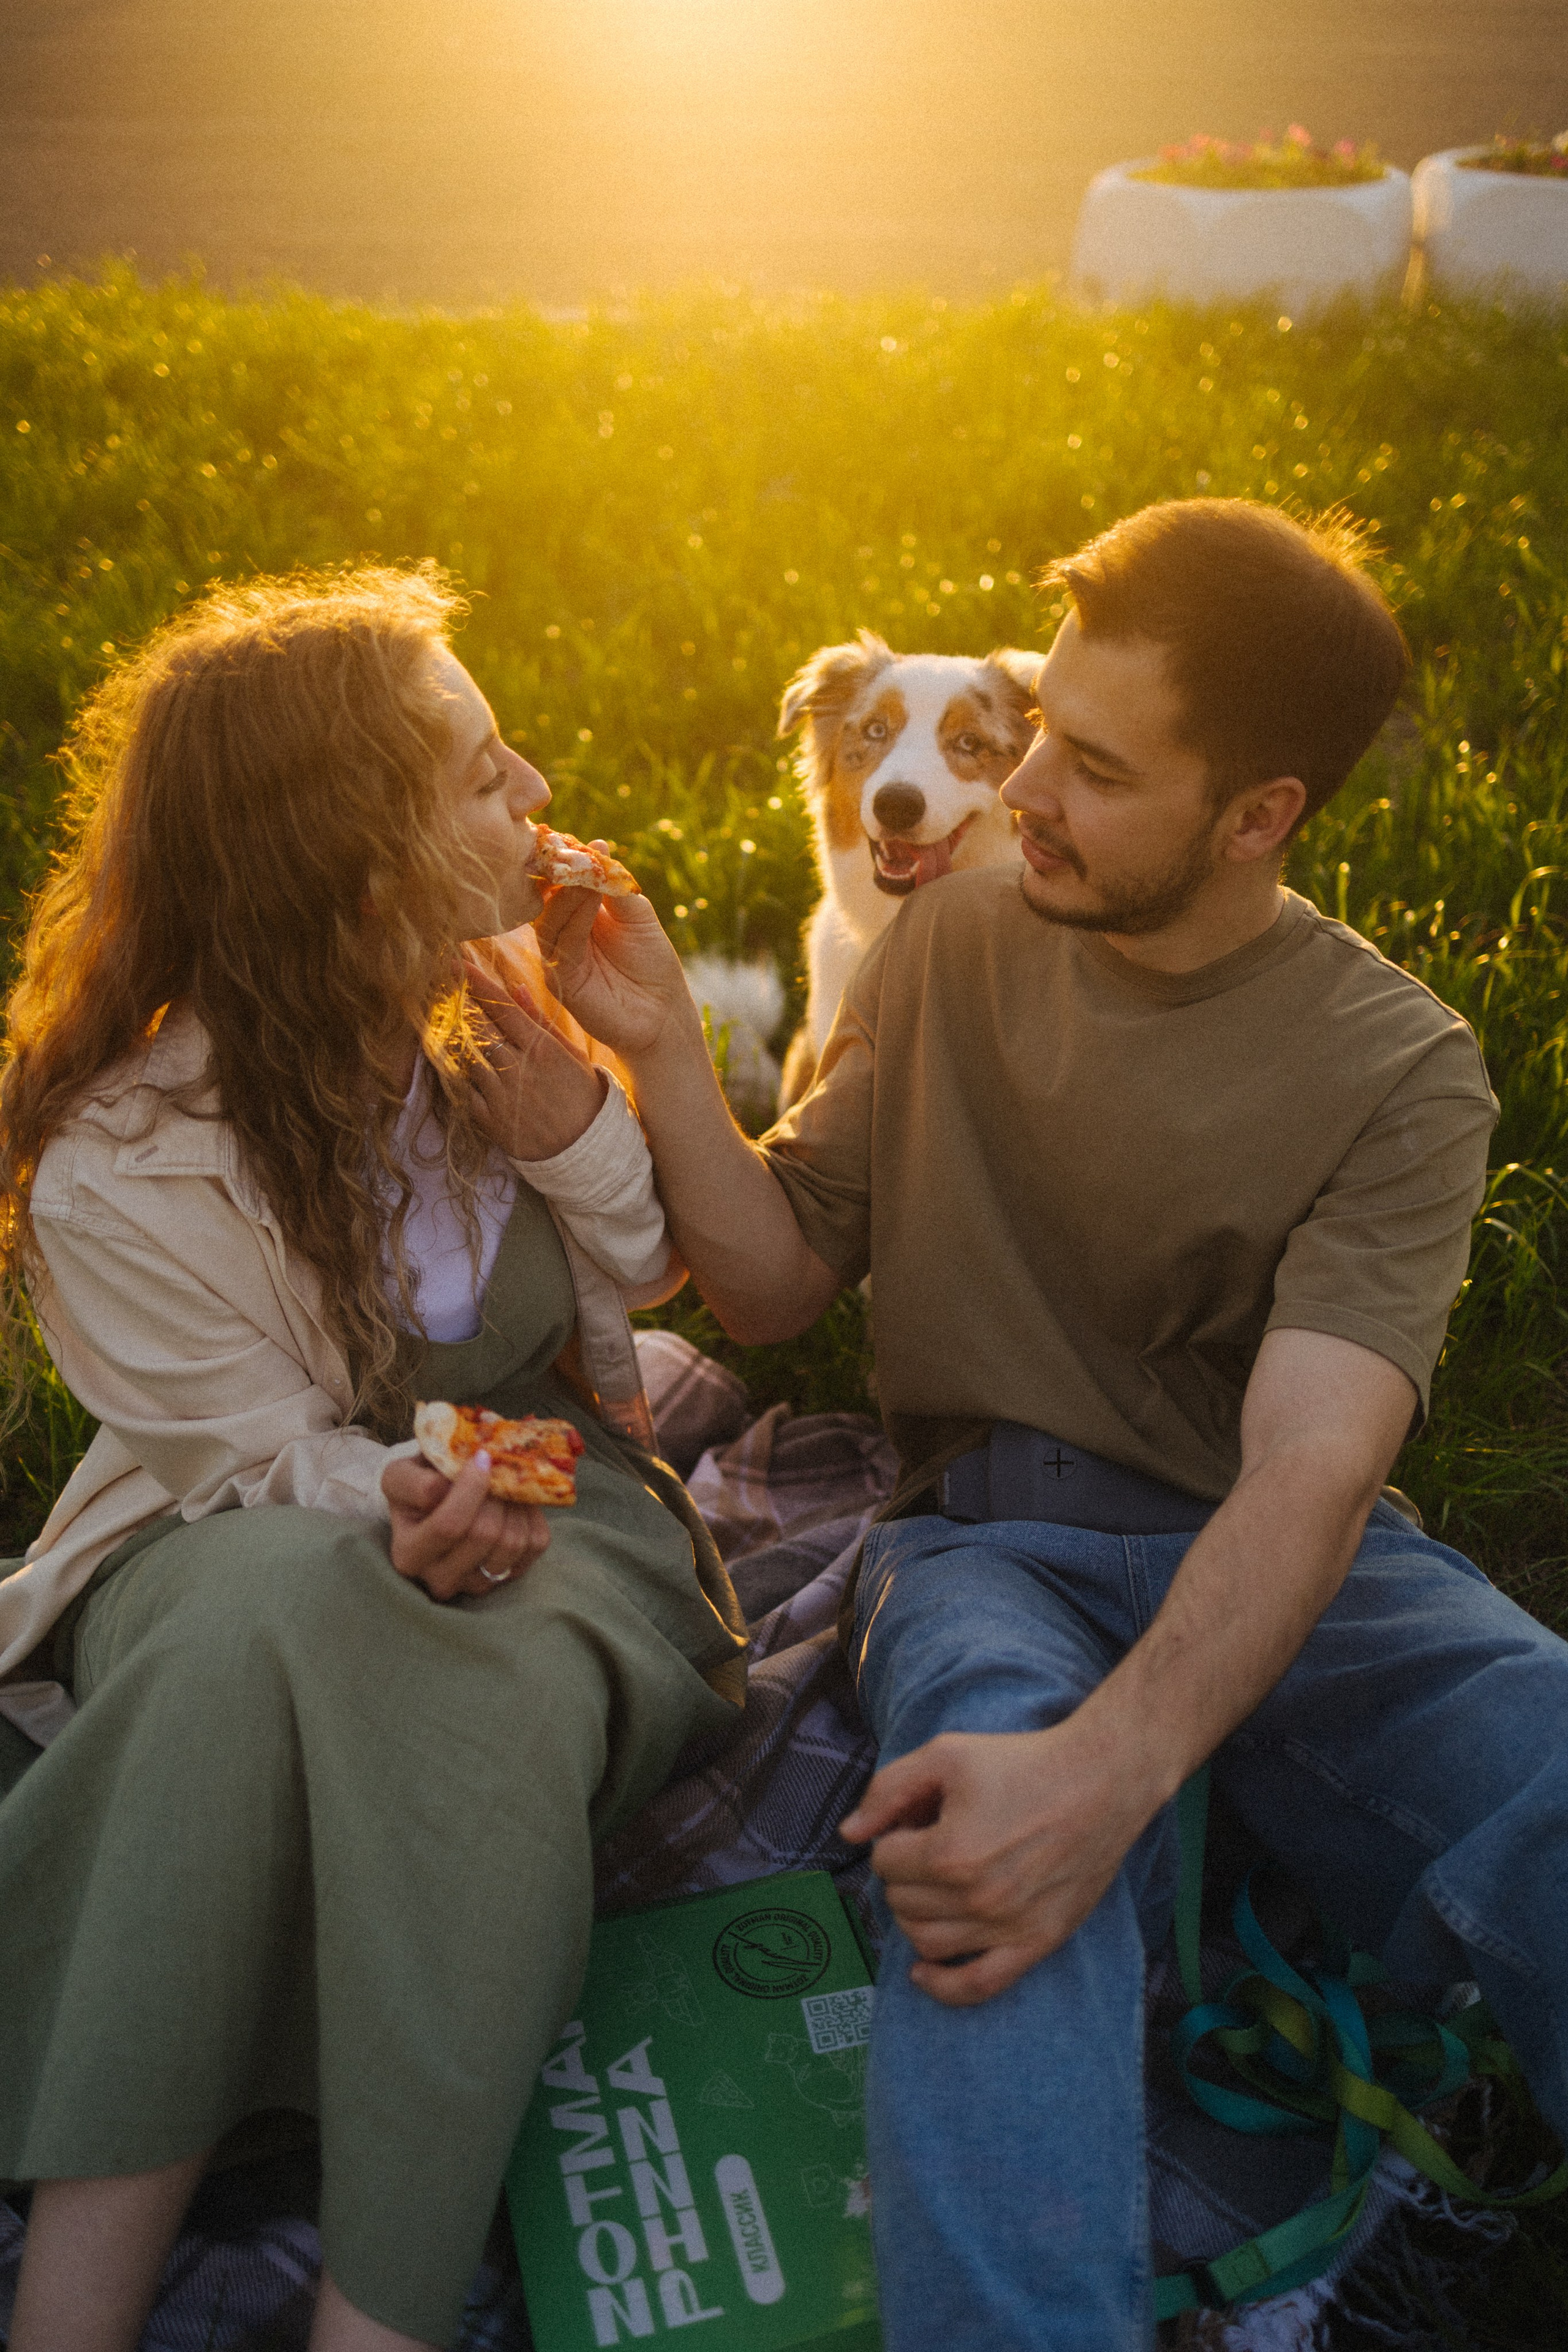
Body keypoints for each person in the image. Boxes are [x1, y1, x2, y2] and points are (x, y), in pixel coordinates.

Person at [496, 499, 1568, 2349]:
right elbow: (772, 1282)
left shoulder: (1399, 1067)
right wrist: (663, 1044)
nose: (1028, 794)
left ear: (1259, 817)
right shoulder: (950, 945)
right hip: (978, 1544)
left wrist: (1121, 1768)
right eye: (1044, 734)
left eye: (1096, 768)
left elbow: (1317, 1466)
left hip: (1271, 1544)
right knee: (989, 1864)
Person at [0, 566, 747, 2352]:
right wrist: (399, 1504)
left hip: (560, 1493)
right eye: (485, 776)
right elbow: (253, 1464)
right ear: (356, 855)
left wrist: (581, 1112)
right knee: (243, 1619)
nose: (539, 793)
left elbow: (650, 1271)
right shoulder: (122, 1161)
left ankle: (372, 2314)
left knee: (485, 1672)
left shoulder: (502, 1002)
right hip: (233, 1519)